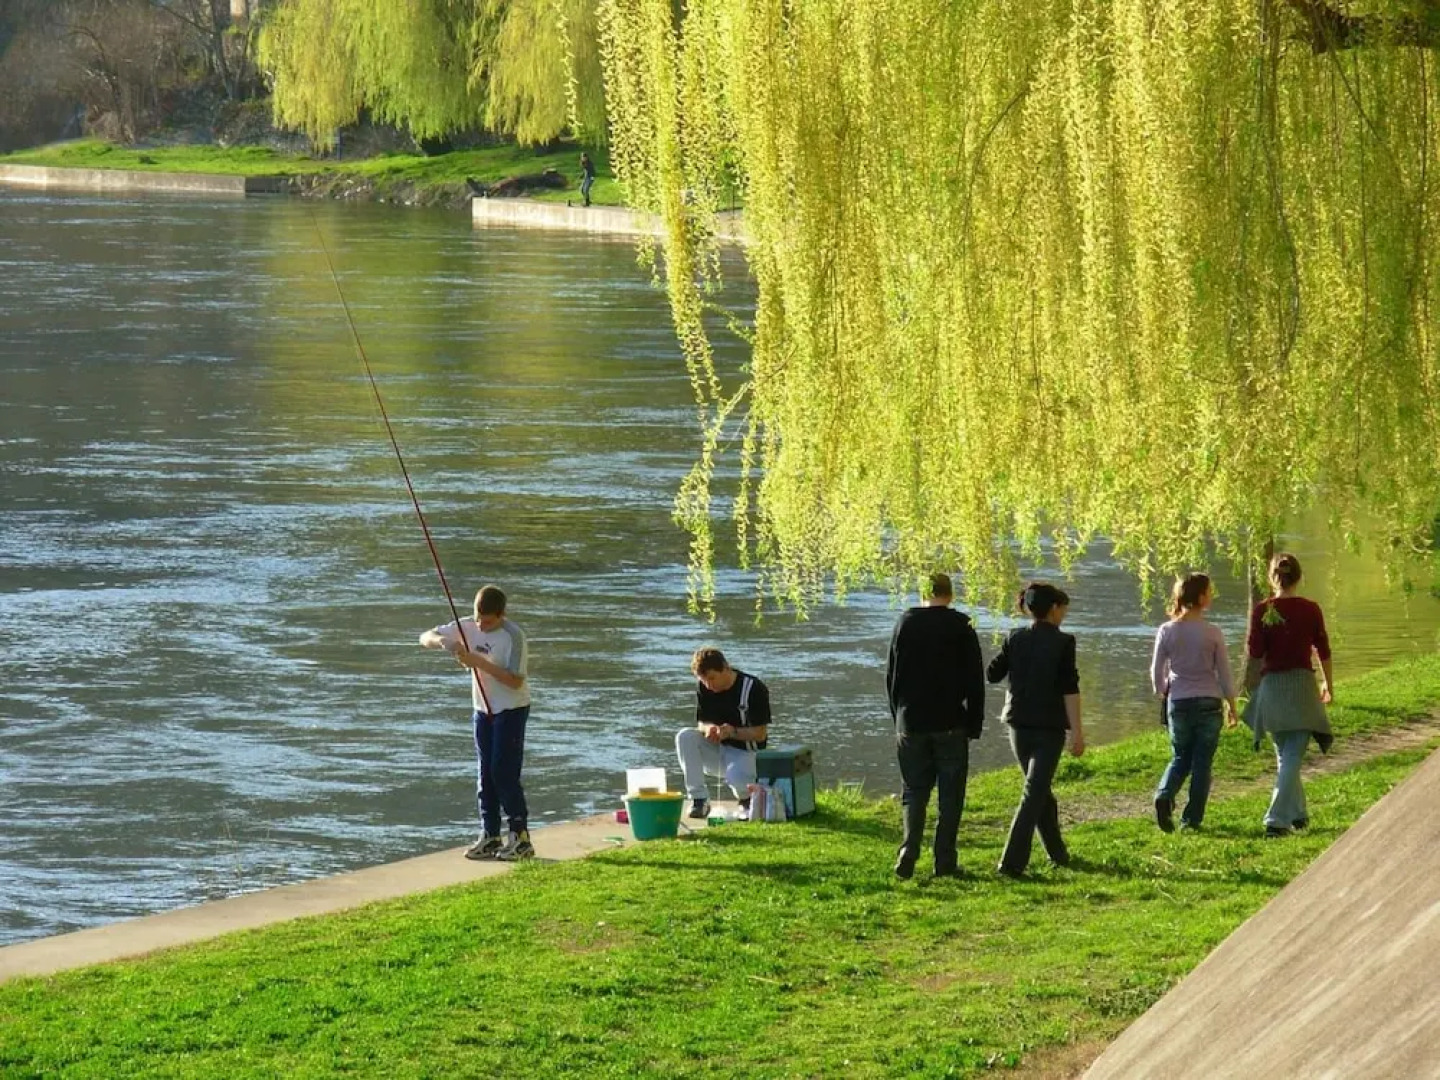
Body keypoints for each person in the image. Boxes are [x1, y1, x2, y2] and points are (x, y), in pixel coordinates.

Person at [419, 585, 533, 861]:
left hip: (511, 710)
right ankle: (490, 834)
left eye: (488, 621)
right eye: (478, 618)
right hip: (482, 710)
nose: (481, 625)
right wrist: (446, 643)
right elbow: (424, 637)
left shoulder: (513, 636)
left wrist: (477, 662)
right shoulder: (469, 625)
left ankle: (520, 837)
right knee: (485, 774)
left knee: (503, 773)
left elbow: (515, 679)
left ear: (502, 615)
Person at [886, 572, 986, 880]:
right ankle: (944, 859)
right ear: (950, 594)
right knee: (950, 794)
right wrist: (975, 722)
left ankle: (909, 849)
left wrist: (898, 717)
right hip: (950, 722)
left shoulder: (905, 623)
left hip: (911, 721)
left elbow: (893, 677)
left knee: (913, 791)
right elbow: (974, 679)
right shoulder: (962, 625)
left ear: (922, 594)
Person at [988, 582, 1086, 878]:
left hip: (1017, 724)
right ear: (1054, 609)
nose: (1063, 616)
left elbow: (993, 674)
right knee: (1034, 792)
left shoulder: (1014, 638)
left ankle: (1058, 854)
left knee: (1040, 791)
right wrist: (1078, 732)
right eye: (1062, 610)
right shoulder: (1064, 642)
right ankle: (1011, 863)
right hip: (1049, 727)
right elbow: (1070, 689)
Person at [1243, 553, 1334, 838]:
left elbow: (1255, 652)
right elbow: (1323, 650)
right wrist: (1328, 685)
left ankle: (1298, 813)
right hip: (1301, 687)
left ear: (1272, 578)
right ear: (1299, 577)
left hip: (1272, 690)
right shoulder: (1311, 609)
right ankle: (1277, 820)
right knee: (1292, 755)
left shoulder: (1263, 610)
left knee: (1286, 755)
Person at [1150, 573, 1240, 833]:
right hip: (1209, 701)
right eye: (1209, 592)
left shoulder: (1167, 630)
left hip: (1178, 699)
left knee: (1180, 756)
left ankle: (1165, 795)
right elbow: (1224, 672)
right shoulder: (1212, 633)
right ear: (1201, 598)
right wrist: (1231, 705)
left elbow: (1156, 670)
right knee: (1202, 762)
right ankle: (1191, 819)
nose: (1211, 595)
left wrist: (1163, 689)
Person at [676, 648, 771, 820]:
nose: (709, 686)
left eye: (712, 678)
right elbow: (702, 722)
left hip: (747, 752)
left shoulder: (753, 688)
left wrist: (732, 732)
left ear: (726, 668)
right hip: (717, 749)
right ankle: (699, 799)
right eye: (703, 680)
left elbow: (760, 734)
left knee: (737, 779)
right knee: (685, 736)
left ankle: (746, 798)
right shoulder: (705, 688)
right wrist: (708, 729)